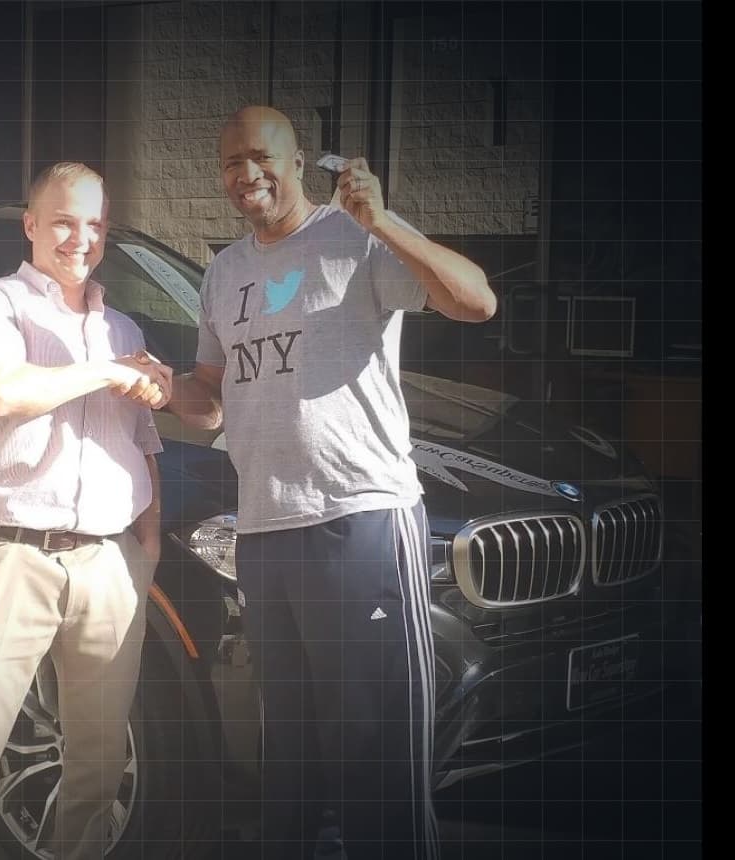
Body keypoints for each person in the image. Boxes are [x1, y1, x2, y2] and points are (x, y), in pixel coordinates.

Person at [167, 105, 496, 859]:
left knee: (379, 762)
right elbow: (211, 401)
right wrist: (160, 386)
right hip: (264, 532)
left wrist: (386, 222)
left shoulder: (356, 238)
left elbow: (477, 301)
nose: (245, 174)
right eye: (230, 163)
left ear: (296, 160)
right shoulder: (224, 272)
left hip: (360, 522)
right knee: (291, 765)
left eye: (261, 157)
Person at [0, 161, 173, 860]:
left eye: (95, 224)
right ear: (30, 224)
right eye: (63, 221)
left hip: (109, 565)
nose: (80, 238)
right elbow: (0, 392)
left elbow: (144, 444)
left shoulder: (122, 328)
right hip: (10, 557)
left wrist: (145, 552)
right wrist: (110, 372)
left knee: (99, 768)